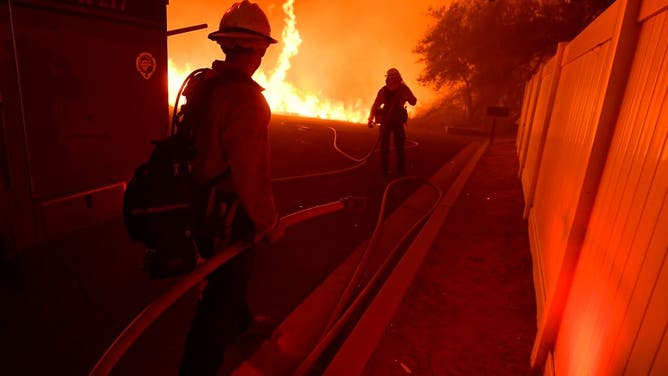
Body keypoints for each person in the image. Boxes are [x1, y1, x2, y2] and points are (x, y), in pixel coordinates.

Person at [179, 1, 284, 375]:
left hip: (198, 201)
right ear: (257, 49)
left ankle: (242, 324)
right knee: (220, 298)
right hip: (227, 212)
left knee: (225, 277)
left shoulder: (204, 84)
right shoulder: (246, 100)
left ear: (225, 45)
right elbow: (251, 174)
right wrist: (269, 222)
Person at [367, 68, 417, 177]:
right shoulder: (386, 90)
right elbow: (376, 105)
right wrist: (370, 117)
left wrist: (370, 118)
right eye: (390, 77)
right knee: (390, 146)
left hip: (394, 121)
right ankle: (396, 171)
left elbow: (413, 101)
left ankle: (394, 171)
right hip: (388, 120)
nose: (391, 79)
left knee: (397, 146)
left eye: (392, 76)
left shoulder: (402, 89)